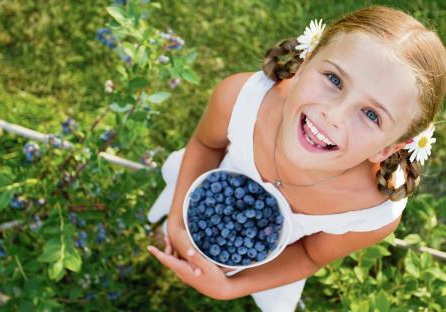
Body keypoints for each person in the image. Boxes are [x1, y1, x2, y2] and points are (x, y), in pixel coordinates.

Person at [146, 5, 445, 311]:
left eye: (371, 114)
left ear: (389, 148)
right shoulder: (241, 100)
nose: (334, 114)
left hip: (272, 262)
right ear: (305, 62)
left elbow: (308, 255)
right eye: (334, 79)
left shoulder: (371, 211)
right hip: (205, 195)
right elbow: (205, 146)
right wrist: (177, 220)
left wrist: (229, 287)